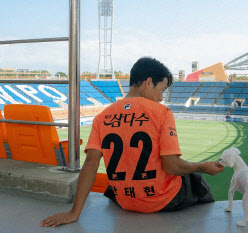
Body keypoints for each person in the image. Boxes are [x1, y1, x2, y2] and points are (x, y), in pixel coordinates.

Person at [41, 57, 224, 228]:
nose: (161, 97)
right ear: (148, 82)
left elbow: (90, 164)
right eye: (161, 89)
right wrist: (202, 166)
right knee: (196, 178)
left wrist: (74, 213)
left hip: (124, 201)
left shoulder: (102, 117)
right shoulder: (161, 112)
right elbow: (172, 166)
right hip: (161, 200)